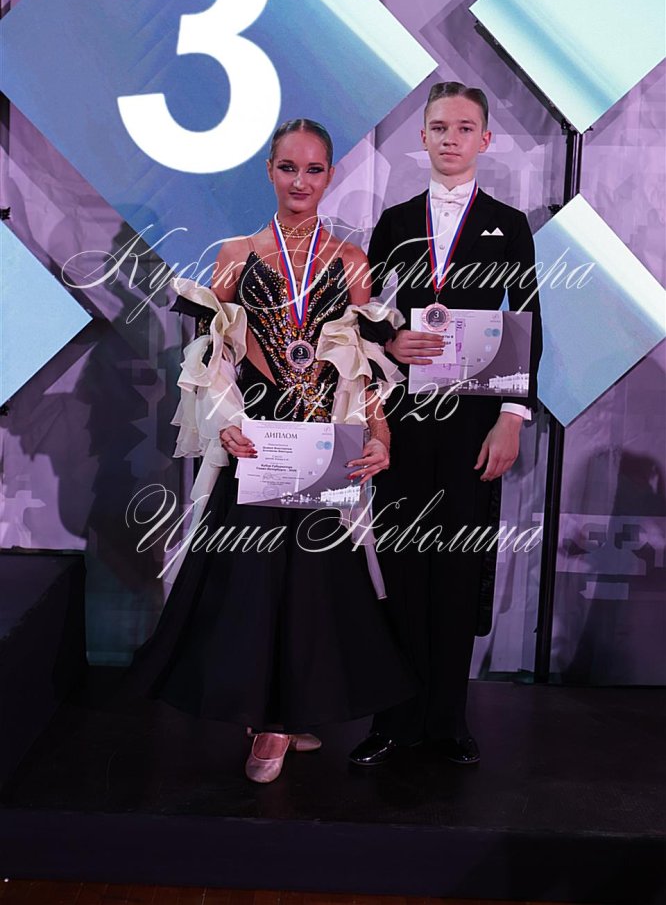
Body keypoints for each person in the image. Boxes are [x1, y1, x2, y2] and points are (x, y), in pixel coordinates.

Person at [121, 118, 414, 783]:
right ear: (269, 171)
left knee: (314, 588)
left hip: (323, 445)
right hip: (258, 443)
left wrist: (381, 433)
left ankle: (283, 715)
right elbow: (212, 356)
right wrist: (224, 421)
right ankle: (267, 719)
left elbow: (363, 362)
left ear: (330, 175)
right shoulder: (234, 254)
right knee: (248, 585)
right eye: (288, 168)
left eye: (313, 169)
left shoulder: (351, 262)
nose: (300, 182)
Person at [349, 82, 543, 767]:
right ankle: (392, 719)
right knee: (400, 565)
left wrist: (512, 418)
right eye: (439, 126)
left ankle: (448, 721)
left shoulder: (509, 224)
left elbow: (527, 319)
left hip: (474, 423)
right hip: (403, 419)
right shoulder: (395, 221)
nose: (451, 138)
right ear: (423, 137)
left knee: (458, 566)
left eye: (465, 127)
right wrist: (391, 340)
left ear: (485, 140)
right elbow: (362, 316)